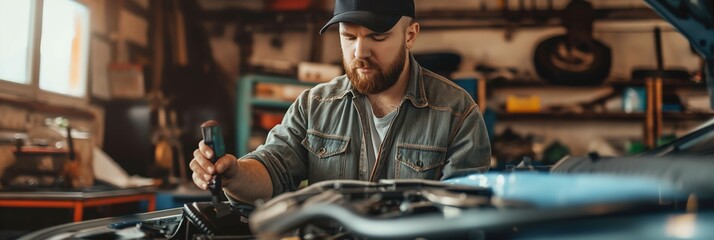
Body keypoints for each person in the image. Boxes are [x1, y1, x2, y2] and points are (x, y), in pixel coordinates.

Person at [190, 0, 491, 204]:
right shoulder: (314, 105)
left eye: (377, 36)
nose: (360, 52)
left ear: (410, 35)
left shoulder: (457, 113)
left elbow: (465, 217)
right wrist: (234, 174)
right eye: (348, 36)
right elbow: (273, 169)